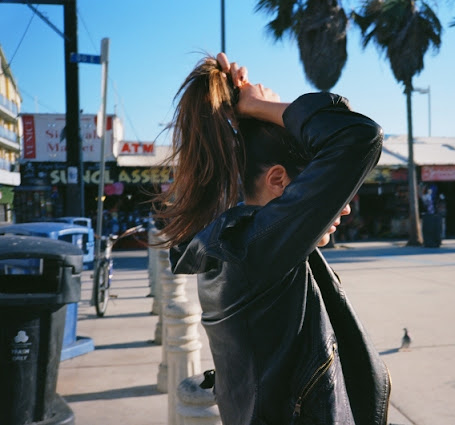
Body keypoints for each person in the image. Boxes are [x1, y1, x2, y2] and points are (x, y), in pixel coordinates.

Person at [152, 53, 390, 425]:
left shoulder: (234, 244)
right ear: (278, 181)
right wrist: (259, 107)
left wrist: (251, 111)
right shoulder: (255, 250)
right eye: (328, 193)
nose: (342, 208)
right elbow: (358, 136)